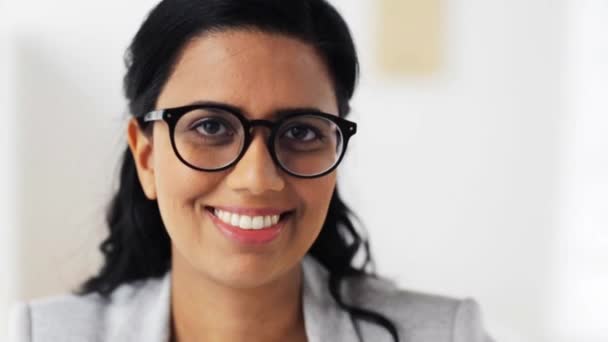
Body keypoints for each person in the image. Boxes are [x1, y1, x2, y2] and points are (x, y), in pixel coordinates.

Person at [9, 0, 494, 341]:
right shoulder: (43, 335)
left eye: (302, 132)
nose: (258, 178)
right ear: (147, 156)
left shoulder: (446, 334)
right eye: (211, 126)